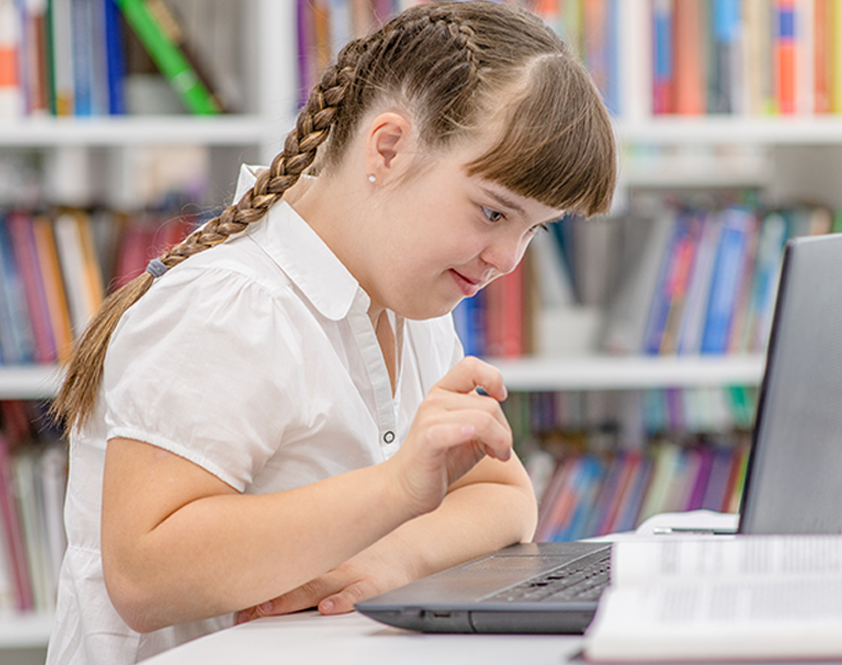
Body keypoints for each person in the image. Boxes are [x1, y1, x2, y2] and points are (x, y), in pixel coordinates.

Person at [46, 2, 615, 664]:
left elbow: (503, 495)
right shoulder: (230, 305)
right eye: (493, 211)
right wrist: (396, 492)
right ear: (389, 147)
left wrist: (385, 557)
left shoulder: (409, 305)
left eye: (534, 228)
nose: (508, 259)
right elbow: (143, 572)